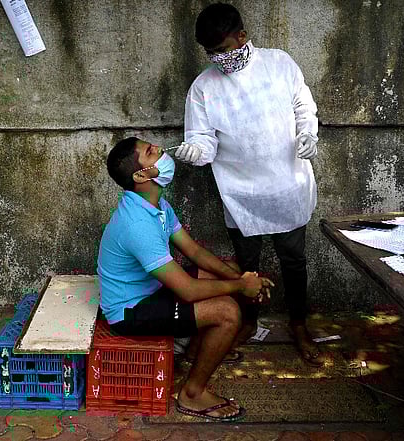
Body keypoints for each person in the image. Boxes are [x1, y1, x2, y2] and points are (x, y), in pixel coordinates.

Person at [173, 3, 323, 366]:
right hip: (240, 194)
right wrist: (196, 151)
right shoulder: (204, 87)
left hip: (287, 185)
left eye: (224, 49)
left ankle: (299, 324)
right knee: (246, 266)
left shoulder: (279, 64)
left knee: (294, 261)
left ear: (242, 36)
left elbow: (304, 105)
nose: (220, 59)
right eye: (212, 53)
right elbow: (203, 139)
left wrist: (308, 132)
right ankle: (249, 322)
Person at [97, 137, 274, 421]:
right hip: (130, 311)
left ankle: (196, 350)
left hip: (151, 289)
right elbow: (188, 290)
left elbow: (192, 250)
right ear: (142, 175)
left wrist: (241, 277)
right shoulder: (137, 224)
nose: (161, 150)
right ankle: (192, 395)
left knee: (225, 268)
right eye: (150, 152)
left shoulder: (156, 205)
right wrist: (242, 287)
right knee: (227, 312)